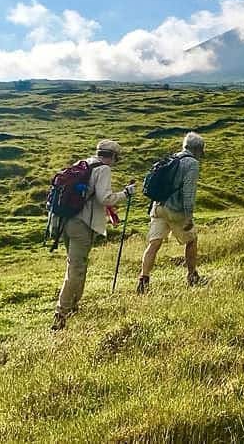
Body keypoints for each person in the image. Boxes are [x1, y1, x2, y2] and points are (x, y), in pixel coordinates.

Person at [52, 139, 134, 331]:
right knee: (76, 268)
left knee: (76, 265)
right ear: (112, 156)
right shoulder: (103, 169)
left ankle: (72, 306)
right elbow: (104, 198)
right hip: (82, 224)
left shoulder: (83, 163)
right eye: (116, 158)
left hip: (66, 221)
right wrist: (125, 194)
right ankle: (61, 312)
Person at [136, 132, 204, 294]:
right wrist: (189, 216)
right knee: (192, 240)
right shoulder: (192, 163)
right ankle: (192, 276)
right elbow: (188, 193)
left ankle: (143, 280)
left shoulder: (172, 158)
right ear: (198, 149)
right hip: (175, 210)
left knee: (154, 244)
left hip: (158, 206)